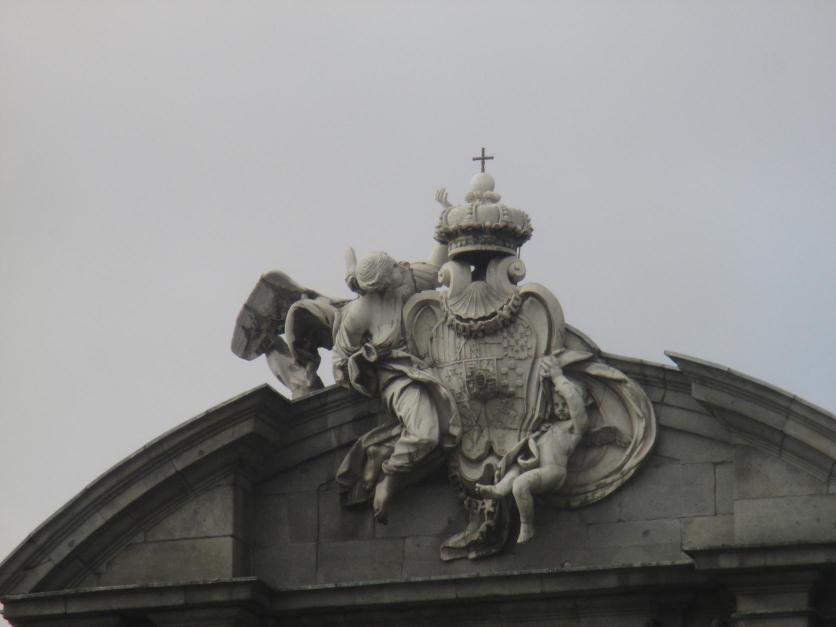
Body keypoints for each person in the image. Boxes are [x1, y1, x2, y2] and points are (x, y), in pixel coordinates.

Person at [334, 243, 459, 523]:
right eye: (392, 267)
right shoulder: (358, 315)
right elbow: (341, 360)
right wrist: (362, 366)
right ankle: (388, 475)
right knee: (426, 435)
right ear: (380, 283)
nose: (399, 266)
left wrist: (442, 235)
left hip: (424, 369)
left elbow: (434, 269)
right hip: (396, 379)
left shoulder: (402, 283)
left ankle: (382, 451)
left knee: (442, 428)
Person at [475, 356, 590, 543]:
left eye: (564, 405)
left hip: (553, 471)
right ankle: (499, 489)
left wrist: (558, 377)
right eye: (557, 405)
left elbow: (576, 404)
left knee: (521, 484)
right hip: (536, 465)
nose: (561, 409)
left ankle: (527, 525)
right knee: (516, 468)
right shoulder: (549, 427)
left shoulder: (575, 428)